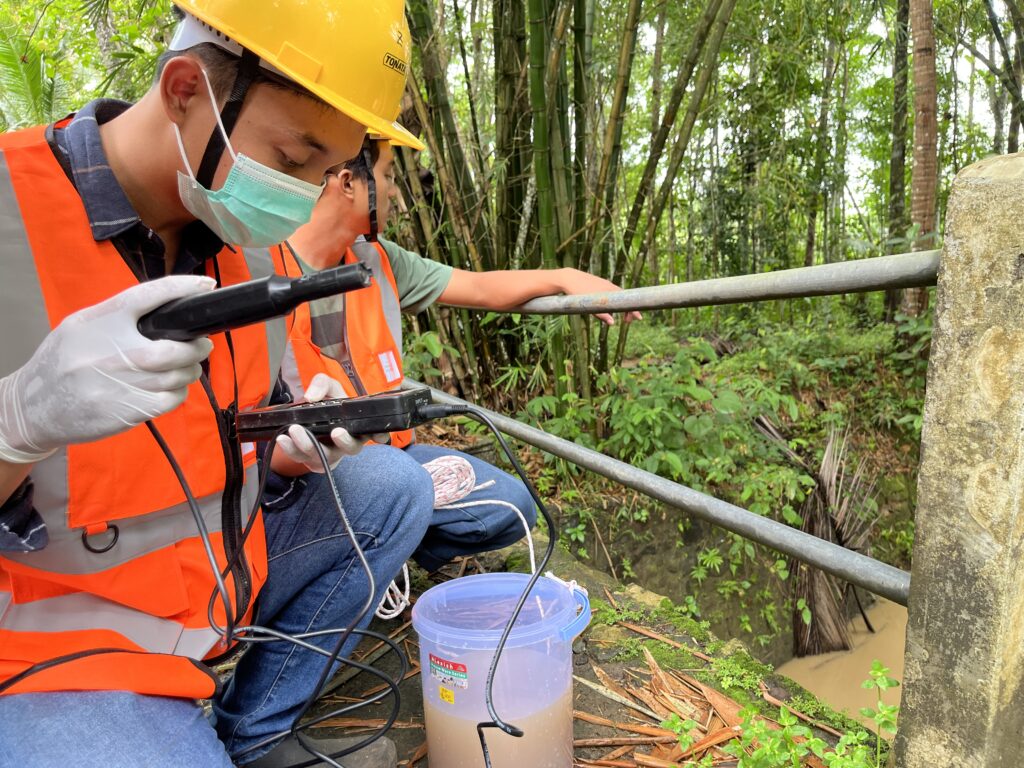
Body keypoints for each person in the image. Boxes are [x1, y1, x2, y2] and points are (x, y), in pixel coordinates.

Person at [0, 3, 431, 767]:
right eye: (291, 158)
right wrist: (18, 424)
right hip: (52, 657)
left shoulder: (248, 246)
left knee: (390, 488)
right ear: (184, 89)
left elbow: (229, 436)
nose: (304, 195)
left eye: (328, 172)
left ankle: (255, 732)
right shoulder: (10, 215)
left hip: (214, 597)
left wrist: (287, 448)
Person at [278, 135, 642, 588]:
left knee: (510, 506)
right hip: (305, 477)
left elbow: (480, 287)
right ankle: (359, 556)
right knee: (395, 483)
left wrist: (565, 278)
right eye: (388, 176)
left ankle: (389, 547)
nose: (395, 191)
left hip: (395, 456)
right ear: (349, 183)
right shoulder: (262, 271)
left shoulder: (379, 260)